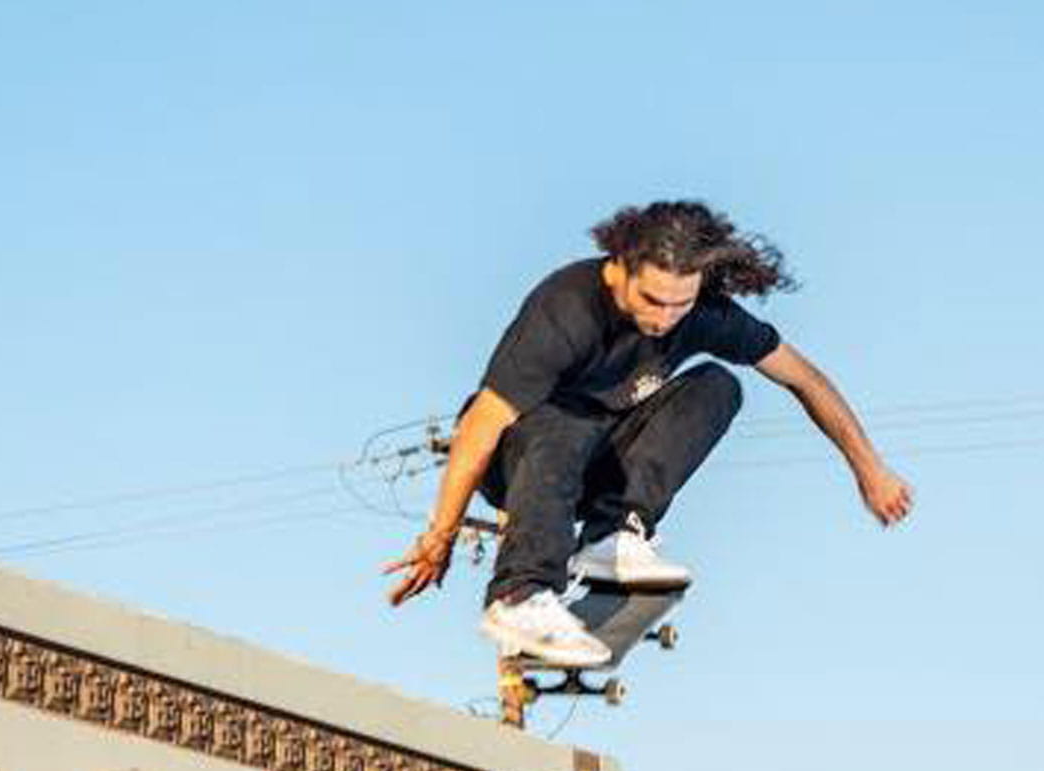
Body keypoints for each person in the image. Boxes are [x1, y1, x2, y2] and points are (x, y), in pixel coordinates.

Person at [383, 199, 913, 665]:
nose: (663, 319)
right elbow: (480, 426)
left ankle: (615, 534)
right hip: (521, 458)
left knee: (718, 386)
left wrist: (870, 470)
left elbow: (806, 378)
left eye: (679, 305)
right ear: (619, 271)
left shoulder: (704, 315)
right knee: (564, 419)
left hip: (599, 459)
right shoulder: (566, 309)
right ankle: (520, 595)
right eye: (652, 301)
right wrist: (440, 537)